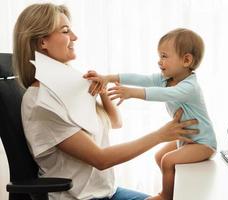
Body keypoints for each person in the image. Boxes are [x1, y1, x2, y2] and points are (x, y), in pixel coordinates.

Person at [13, 4, 199, 200]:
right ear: (43, 42)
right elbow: (100, 159)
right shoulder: (40, 102)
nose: (75, 37)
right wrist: (161, 135)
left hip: (106, 192)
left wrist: (102, 92)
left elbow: (114, 122)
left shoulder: (67, 85)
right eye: (66, 31)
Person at [83, 28, 217, 200]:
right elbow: (140, 79)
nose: (159, 61)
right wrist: (108, 77)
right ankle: (177, 191)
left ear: (186, 60)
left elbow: (164, 94)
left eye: (164, 56)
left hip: (203, 143)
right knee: (159, 156)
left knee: (168, 161)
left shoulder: (189, 87)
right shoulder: (165, 79)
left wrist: (132, 93)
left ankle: (166, 196)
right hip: (187, 140)